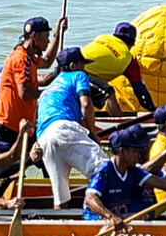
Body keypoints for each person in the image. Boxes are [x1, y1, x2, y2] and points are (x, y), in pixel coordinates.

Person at [83, 125, 166, 225]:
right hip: (97, 220)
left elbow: (160, 183)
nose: (138, 155)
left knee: (144, 217)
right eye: (134, 151)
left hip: (120, 218)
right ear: (123, 151)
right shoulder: (104, 171)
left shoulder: (134, 171)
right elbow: (90, 198)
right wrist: (110, 217)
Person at [35, 48, 110, 207]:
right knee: (106, 170)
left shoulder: (48, 89)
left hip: (43, 137)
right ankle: (107, 211)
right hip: (64, 129)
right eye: (82, 65)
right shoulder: (78, 76)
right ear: (73, 65)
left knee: (61, 198)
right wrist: (93, 133)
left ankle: (61, 226)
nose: (84, 69)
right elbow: (86, 104)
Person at [0, 15, 67, 143]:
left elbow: (48, 61)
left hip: (24, 128)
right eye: (46, 37)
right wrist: (49, 93)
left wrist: (58, 35)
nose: (48, 41)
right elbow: (24, 92)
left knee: (44, 158)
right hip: (7, 128)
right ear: (34, 37)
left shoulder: (30, 57)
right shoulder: (21, 58)